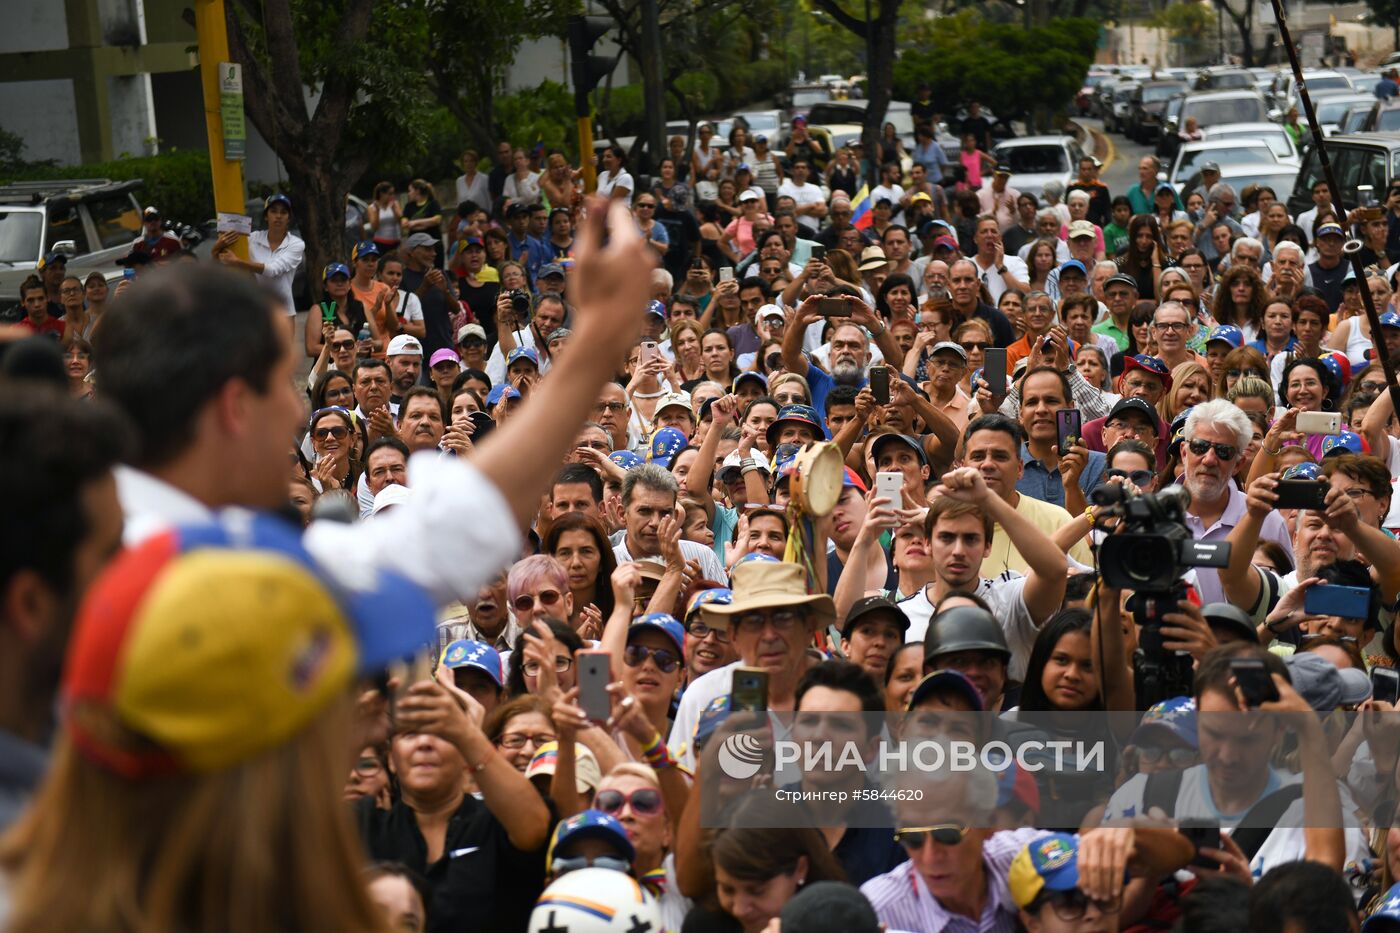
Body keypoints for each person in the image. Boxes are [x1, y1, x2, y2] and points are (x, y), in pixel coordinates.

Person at [212, 193, 305, 332]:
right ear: (266, 216)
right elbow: (221, 263)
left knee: (281, 354)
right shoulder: (252, 239)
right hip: (253, 311)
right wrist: (217, 246)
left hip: (283, 312)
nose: (278, 216)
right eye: (273, 211)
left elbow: (273, 270)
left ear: (289, 218)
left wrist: (238, 262)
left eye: (283, 212)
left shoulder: (296, 244)